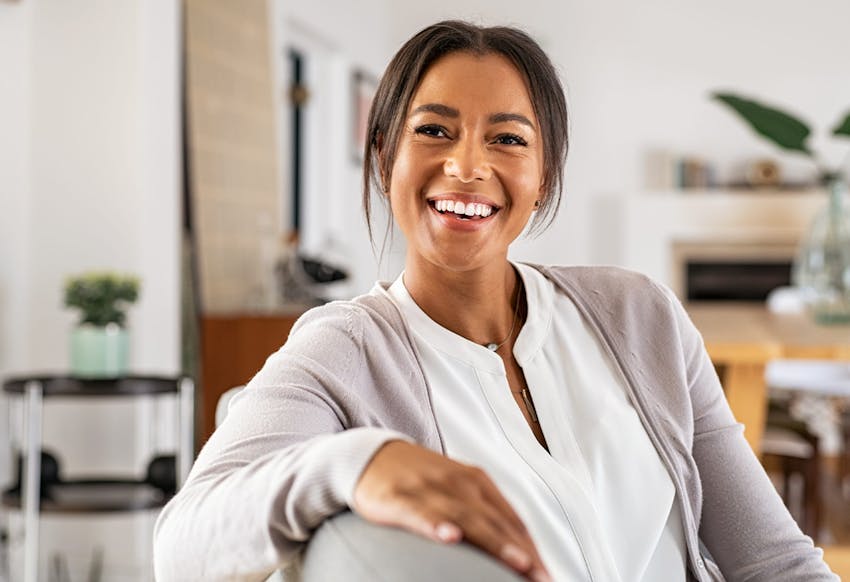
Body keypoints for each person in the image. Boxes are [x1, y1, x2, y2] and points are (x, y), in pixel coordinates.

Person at [153, 20, 838, 582]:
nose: (468, 166)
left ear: (543, 176)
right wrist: (356, 462)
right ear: (384, 156)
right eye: (434, 130)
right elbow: (180, 546)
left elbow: (772, 561)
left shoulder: (642, 315)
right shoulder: (343, 350)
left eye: (508, 139)